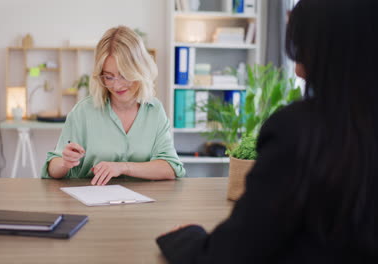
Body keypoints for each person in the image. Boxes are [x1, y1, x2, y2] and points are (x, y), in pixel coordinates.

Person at [156, 0, 378, 263]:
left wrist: (188, 237)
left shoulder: (297, 132)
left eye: (300, 48)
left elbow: (232, 252)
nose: (296, 67)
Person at [41, 26, 185, 185]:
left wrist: (123, 167)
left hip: (143, 205)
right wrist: (64, 163)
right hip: (91, 203)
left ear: (140, 69)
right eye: (109, 77)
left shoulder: (154, 110)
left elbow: (170, 168)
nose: (117, 86)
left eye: (124, 75)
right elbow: (53, 167)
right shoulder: (84, 111)